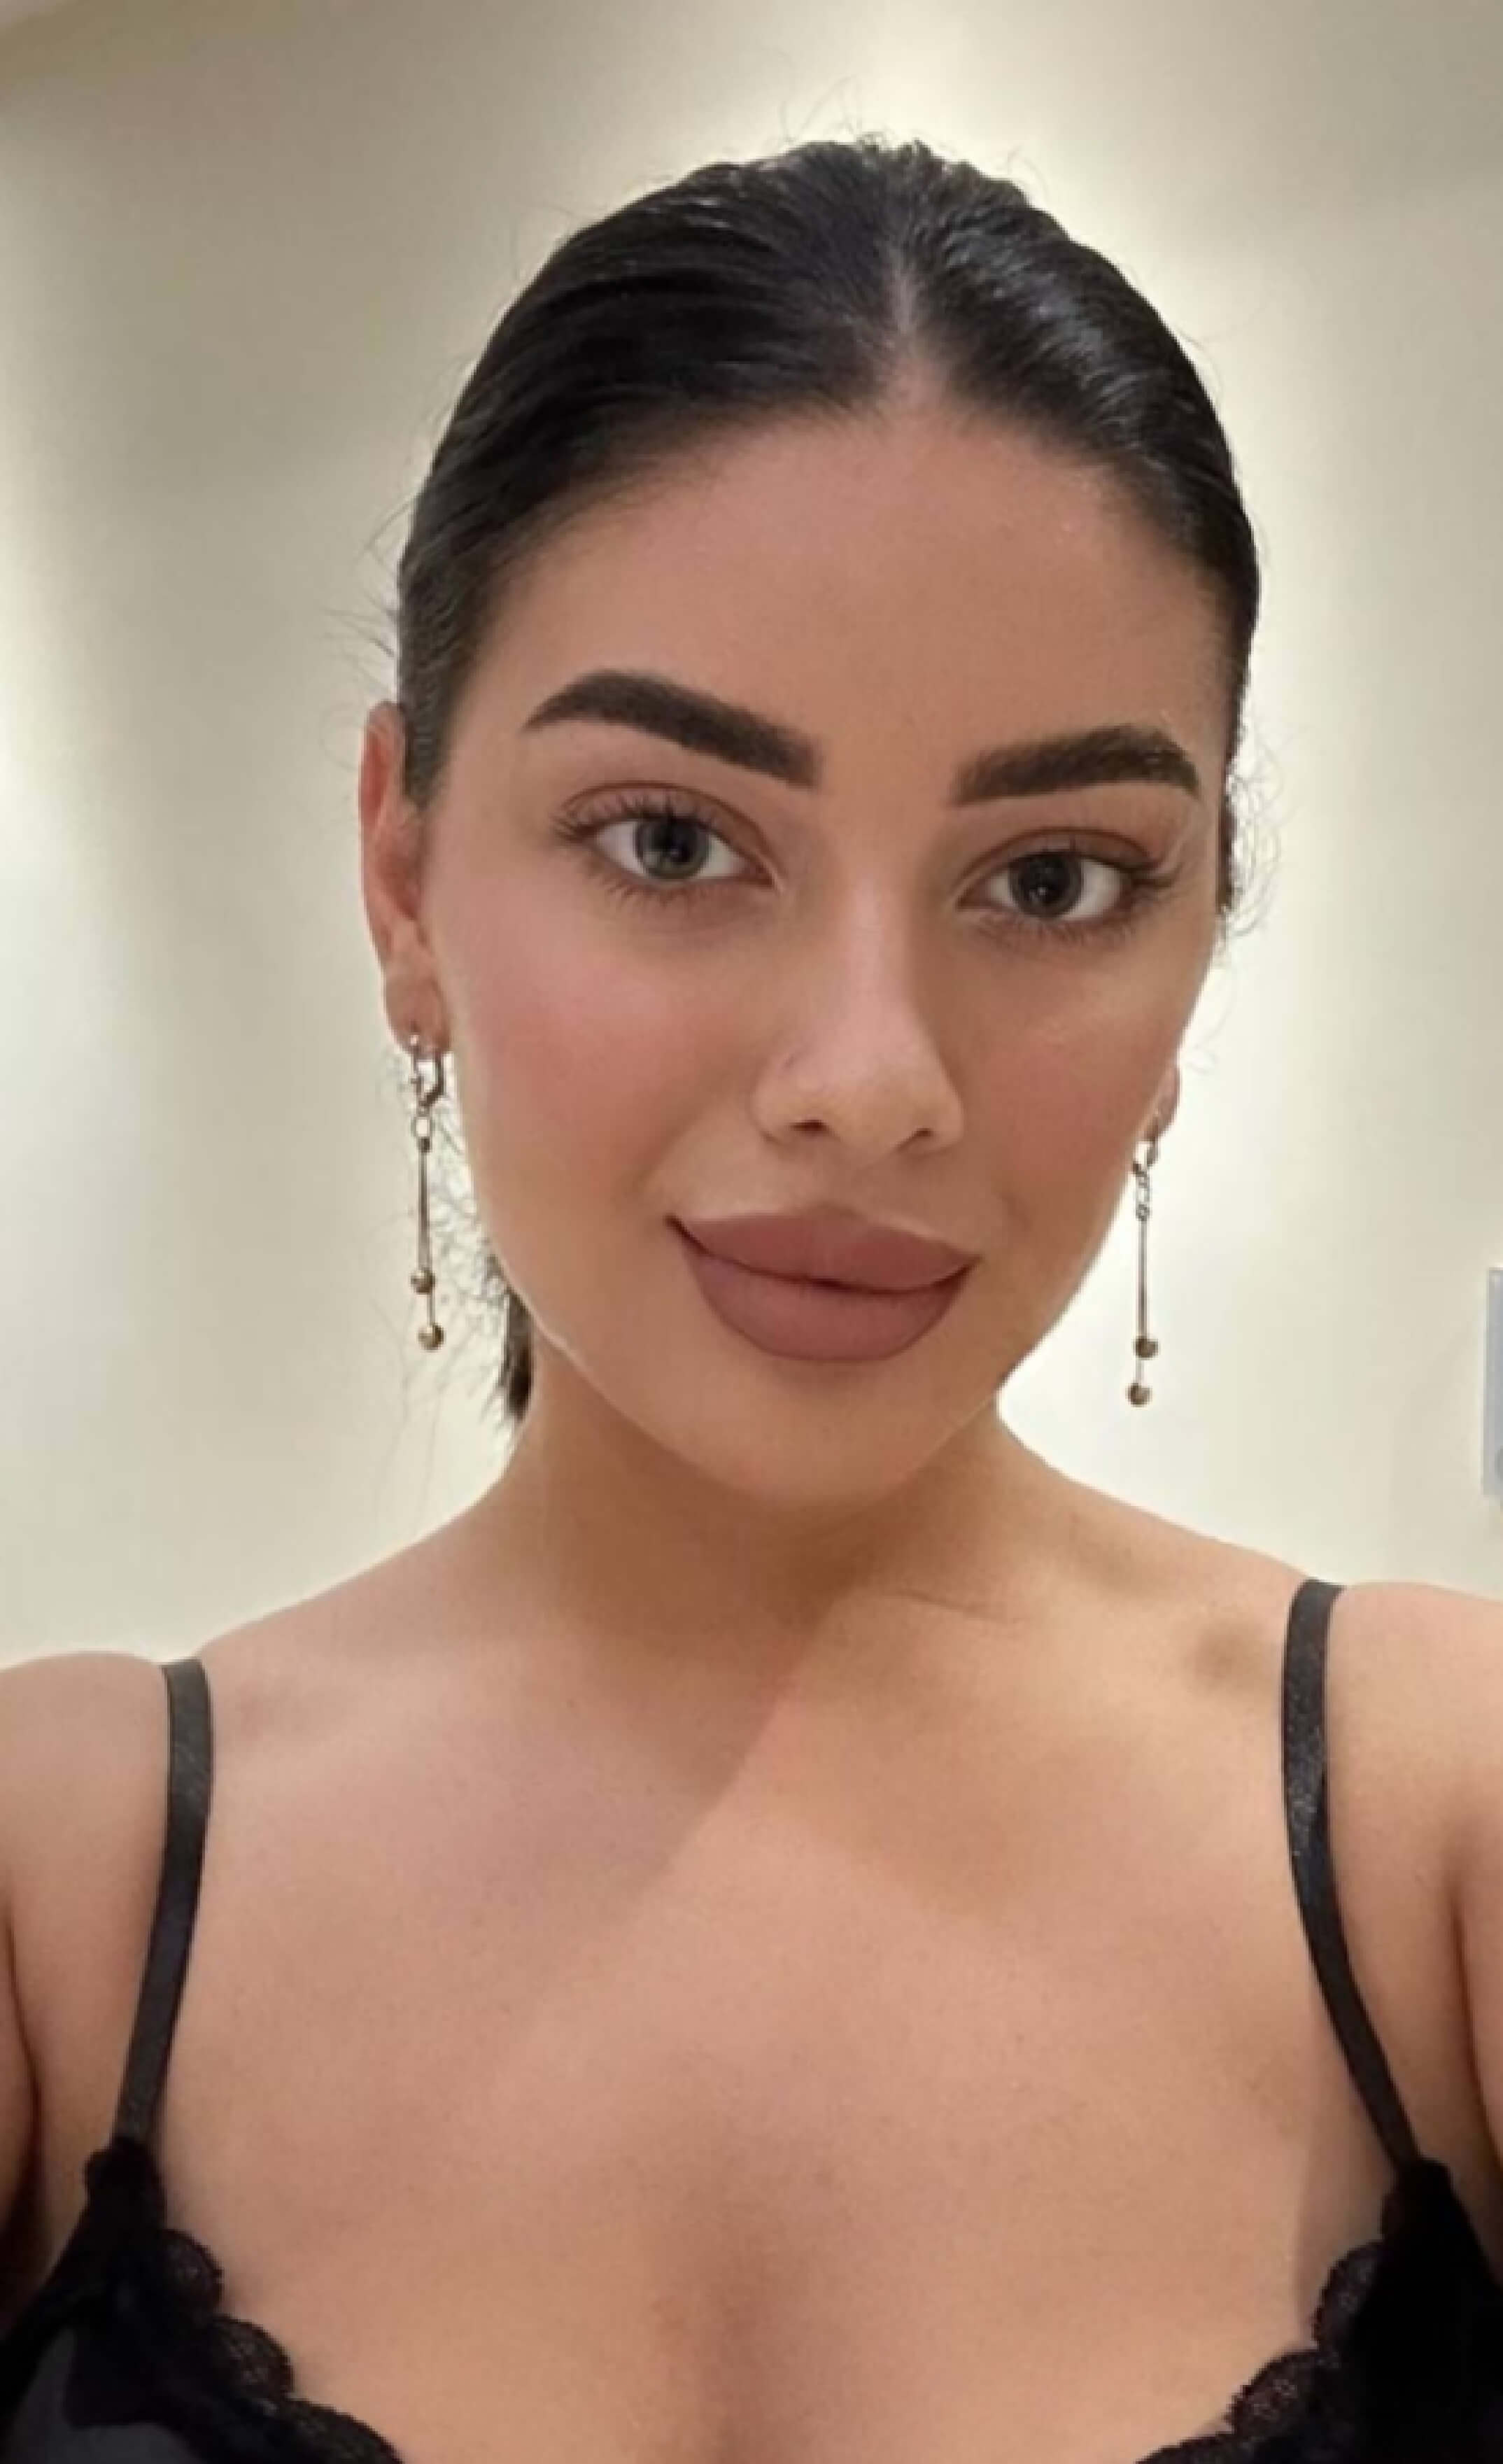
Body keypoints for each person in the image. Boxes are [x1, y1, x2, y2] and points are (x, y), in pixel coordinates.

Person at [3, 131, 1503, 2464]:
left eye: (1051, 876)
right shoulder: (61, 1892)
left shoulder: (1438, 1827)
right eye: (675, 840)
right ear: (403, 869)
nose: (872, 1081)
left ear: (1201, 920)